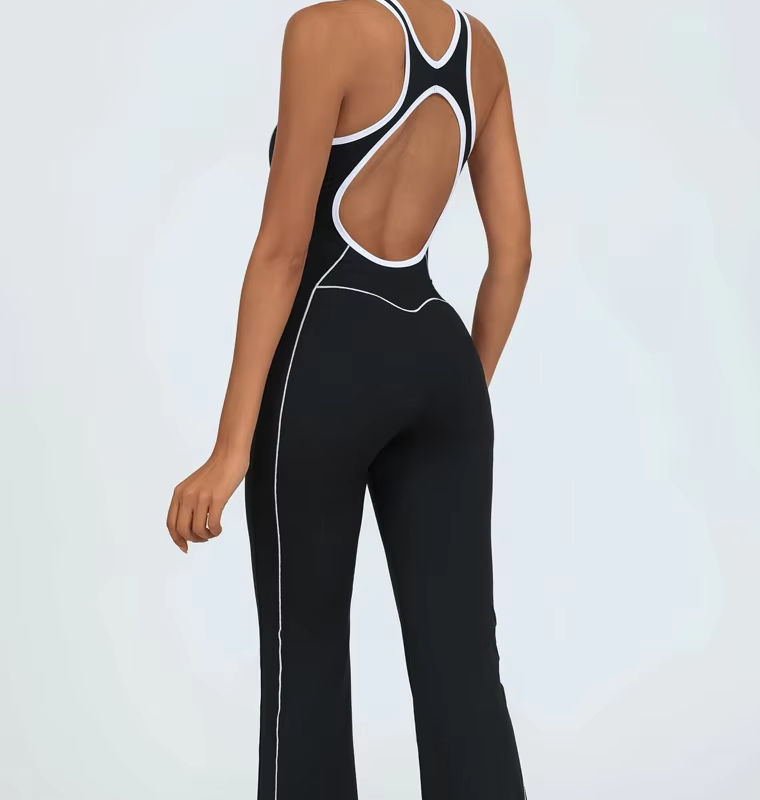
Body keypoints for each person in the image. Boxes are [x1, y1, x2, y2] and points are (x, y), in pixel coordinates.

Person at [166, 0, 531, 796]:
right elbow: (514, 255)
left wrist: (229, 452)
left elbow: (283, 251)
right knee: (464, 671)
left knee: (307, 666)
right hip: (440, 365)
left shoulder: (323, 32)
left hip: (325, 360)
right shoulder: (482, 51)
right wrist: (456, 399)